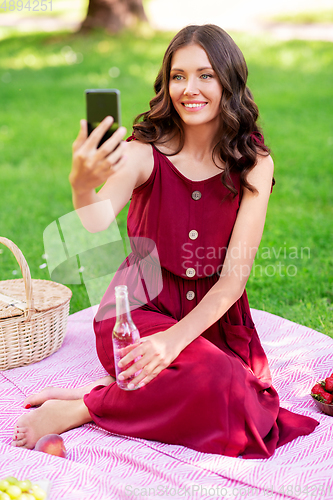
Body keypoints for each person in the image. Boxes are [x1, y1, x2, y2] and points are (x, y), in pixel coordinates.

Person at [12, 24, 319, 458]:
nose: (189, 88)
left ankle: (88, 403)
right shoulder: (142, 153)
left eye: (205, 75)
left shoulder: (253, 165)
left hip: (214, 320)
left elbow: (233, 281)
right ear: (166, 83)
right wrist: (81, 185)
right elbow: (97, 221)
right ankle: (115, 392)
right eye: (178, 76)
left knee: (240, 395)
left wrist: (172, 341)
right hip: (137, 312)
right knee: (219, 386)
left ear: (228, 82)